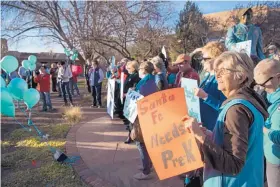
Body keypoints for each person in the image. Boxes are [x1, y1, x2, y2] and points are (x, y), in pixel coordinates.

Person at [184, 51, 268, 187]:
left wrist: (200, 136)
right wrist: (211, 136)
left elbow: (233, 165)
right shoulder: (248, 102)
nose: (217, 75)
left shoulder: (236, 109)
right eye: (217, 70)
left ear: (241, 76)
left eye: (223, 71)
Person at [254, 59, 280, 187]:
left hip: (277, 160)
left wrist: (263, 128)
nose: (262, 89)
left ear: (278, 77)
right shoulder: (271, 96)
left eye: (264, 84)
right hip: (270, 154)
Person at [130, 61, 158, 180]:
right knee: (146, 143)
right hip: (150, 116)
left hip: (142, 117)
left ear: (143, 70)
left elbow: (139, 101)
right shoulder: (151, 81)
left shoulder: (144, 85)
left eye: (140, 69)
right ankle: (148, 165)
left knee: (141, 143)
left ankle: (146, 171)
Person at [194, 42, 227, 131]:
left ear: (216, 59)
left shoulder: (223, 79)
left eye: (205, 59)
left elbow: (225, 108)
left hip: (213, 129)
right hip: (203, 126)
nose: (202, 61)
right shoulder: (207, 75)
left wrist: (205, 97)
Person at [122, 60, 141, 144]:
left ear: (134, 68)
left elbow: (135, 88)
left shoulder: (136, 76)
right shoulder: (130, 75)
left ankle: (131, 136)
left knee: (131, 119)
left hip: (131, 99)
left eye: (129, 67)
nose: (127, 69)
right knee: (128, 119)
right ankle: (130, 134)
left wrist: (128, 93)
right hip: (127, 99)